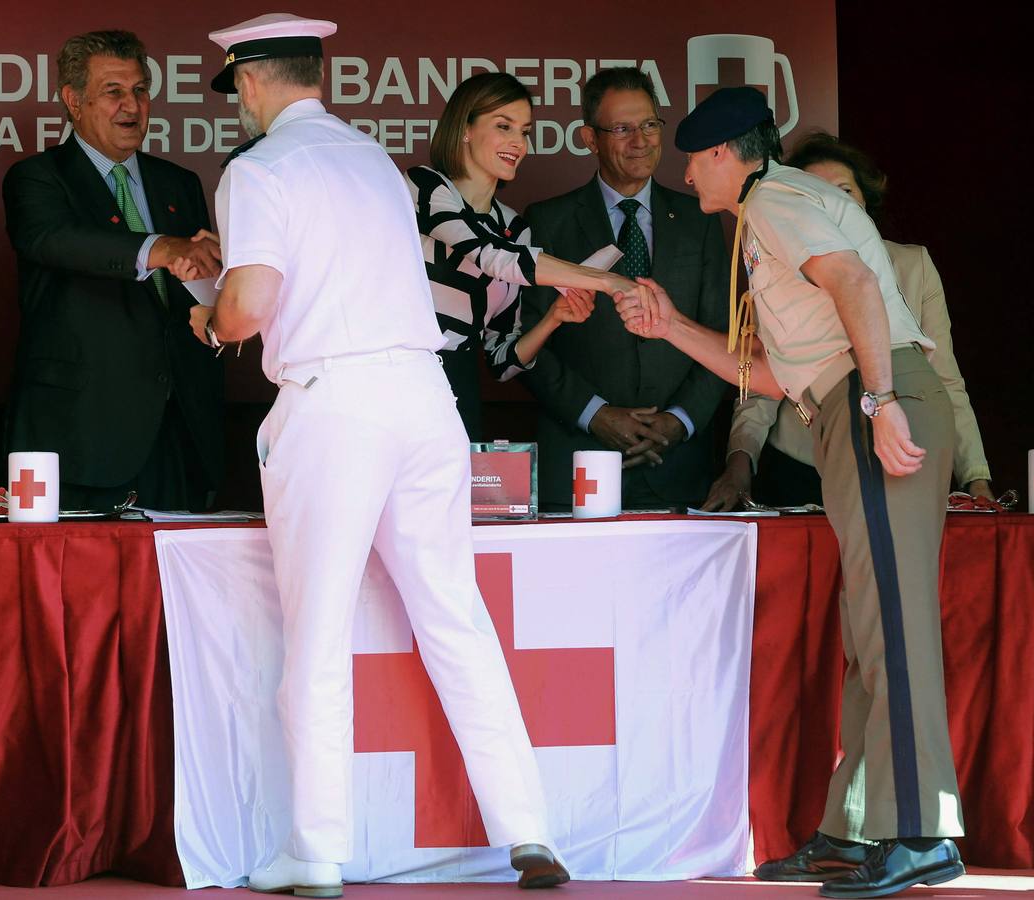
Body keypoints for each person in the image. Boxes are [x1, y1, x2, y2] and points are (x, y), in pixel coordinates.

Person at [188, 13, 571, 896]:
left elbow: (249, 306)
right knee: (456, 619)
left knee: (318, 633)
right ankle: (529, 828)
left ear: (248, 84)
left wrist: (207, 315)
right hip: (424, 399)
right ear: (313, 76)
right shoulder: (372, 160)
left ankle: (316, 850)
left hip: (334, 403)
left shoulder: (259, 169)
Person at [614, 87, 966, 897]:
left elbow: (853, 283)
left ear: (716, 157)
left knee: (895, 621)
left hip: (871, 397)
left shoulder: (772, 196)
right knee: (871, 622)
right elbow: (772, 375)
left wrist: (877, 402)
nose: (688, 178)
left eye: (689, 162)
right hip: (841, 399)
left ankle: (917, 830)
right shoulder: (769, 210)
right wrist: (670, 325)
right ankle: (855, 827)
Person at [704, 131, 993, 511]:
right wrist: (739, 462)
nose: (827, 204)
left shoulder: (913, 265)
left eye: (843, 192)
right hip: (801, 460)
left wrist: (976, 476)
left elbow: (944, 378)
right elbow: (763, 380)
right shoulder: (776, 268)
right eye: (813, 193)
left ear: (864, 201)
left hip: (892, 453)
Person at [2, 30, 224, 511]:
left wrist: (222, 271)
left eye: (141, 90)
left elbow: (198, 287)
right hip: (81, 434)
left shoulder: (179, 183)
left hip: (179, 432)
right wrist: (160, 247)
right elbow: (56, 241)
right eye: (114, 92)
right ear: (73, 100)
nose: (132, 105)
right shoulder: (38, 178)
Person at [520, 66, 728, 510]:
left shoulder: (701, 220)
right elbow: (527, 343)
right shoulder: (547, 221)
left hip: (677, 462)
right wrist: (595, 413)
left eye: (650, 124)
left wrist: (679, 420)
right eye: (622, 128)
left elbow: (724, 334)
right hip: (578, 456)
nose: (642, 140)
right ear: (589, 139)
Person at [409, 72, 635, 440]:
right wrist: (607, 281)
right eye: (504, 126)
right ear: (464, 128)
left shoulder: (514, 227)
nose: (518, 143)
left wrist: (553, 318)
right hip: (401, 380)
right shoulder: (425, 185)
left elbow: (501, 360)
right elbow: (488, 253)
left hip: (458, 391)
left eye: (524, 131)